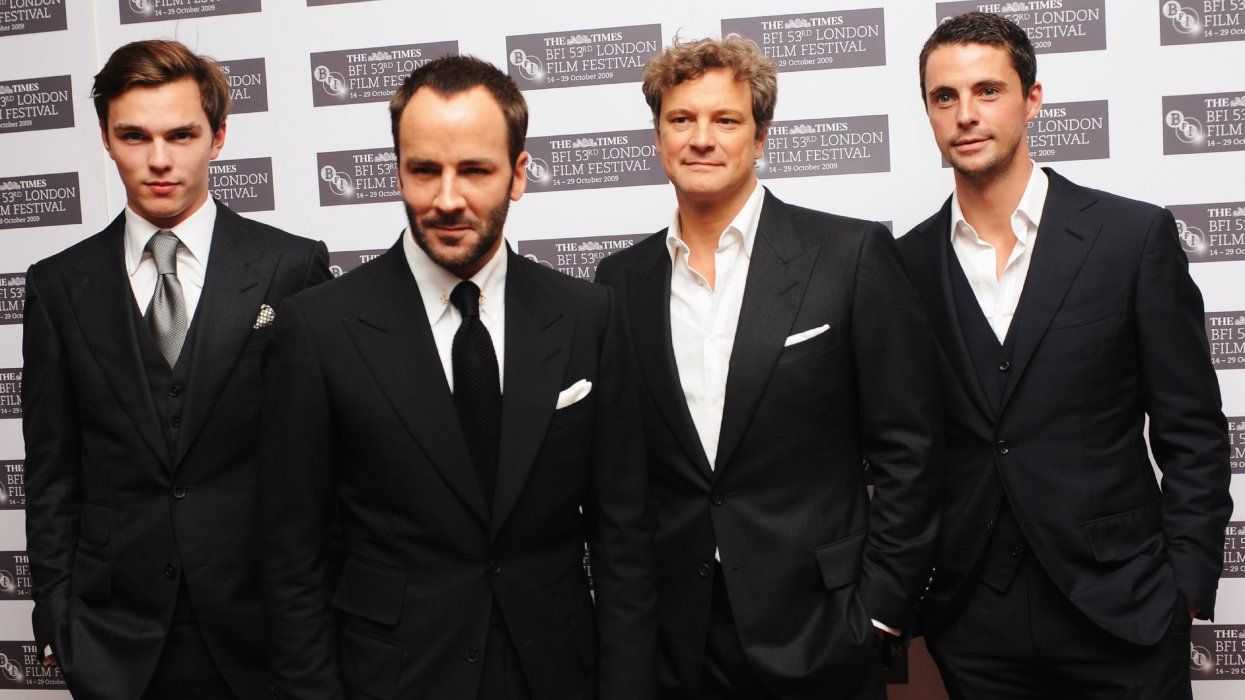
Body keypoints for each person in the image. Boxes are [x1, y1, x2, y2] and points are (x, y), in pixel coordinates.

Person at [257, 55, 657, 699]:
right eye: (424, 171)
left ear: (518, 175)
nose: (447, 199)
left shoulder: (588, 316)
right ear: (398, 172)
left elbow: (624, 539)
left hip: (557, 672)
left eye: (474, 170)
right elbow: (289, 557)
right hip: (394, 677)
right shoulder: (318, 329)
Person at [594, 37, 942, 700]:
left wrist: (876, 611)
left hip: (821, 630)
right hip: (676, 641)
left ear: (759, 138)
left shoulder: (847, 256)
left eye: (724, 120)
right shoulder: (618, 282)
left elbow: (911, 449)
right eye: (680, 119)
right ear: (657, 136)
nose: (701, 138)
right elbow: (622, 476)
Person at [898, 12, 1232, 698]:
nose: (965, 114)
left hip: (1123, 609)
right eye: (944, 97)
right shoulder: (902, 268)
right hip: (975, 623)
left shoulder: (1129, 237)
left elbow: (1191, 431)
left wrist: (1185, 587)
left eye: (987, 91)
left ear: (1033, 98)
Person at [21, 39, 331, 699]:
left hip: (265, 631)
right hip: (114, 640)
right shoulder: (57, 286)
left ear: (218, 137)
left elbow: (325, 461)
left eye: (181, 134)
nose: (159, 160)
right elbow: (52, 473)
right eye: (134, 136)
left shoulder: (292, 267)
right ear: (106, 138)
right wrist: (59, 613)